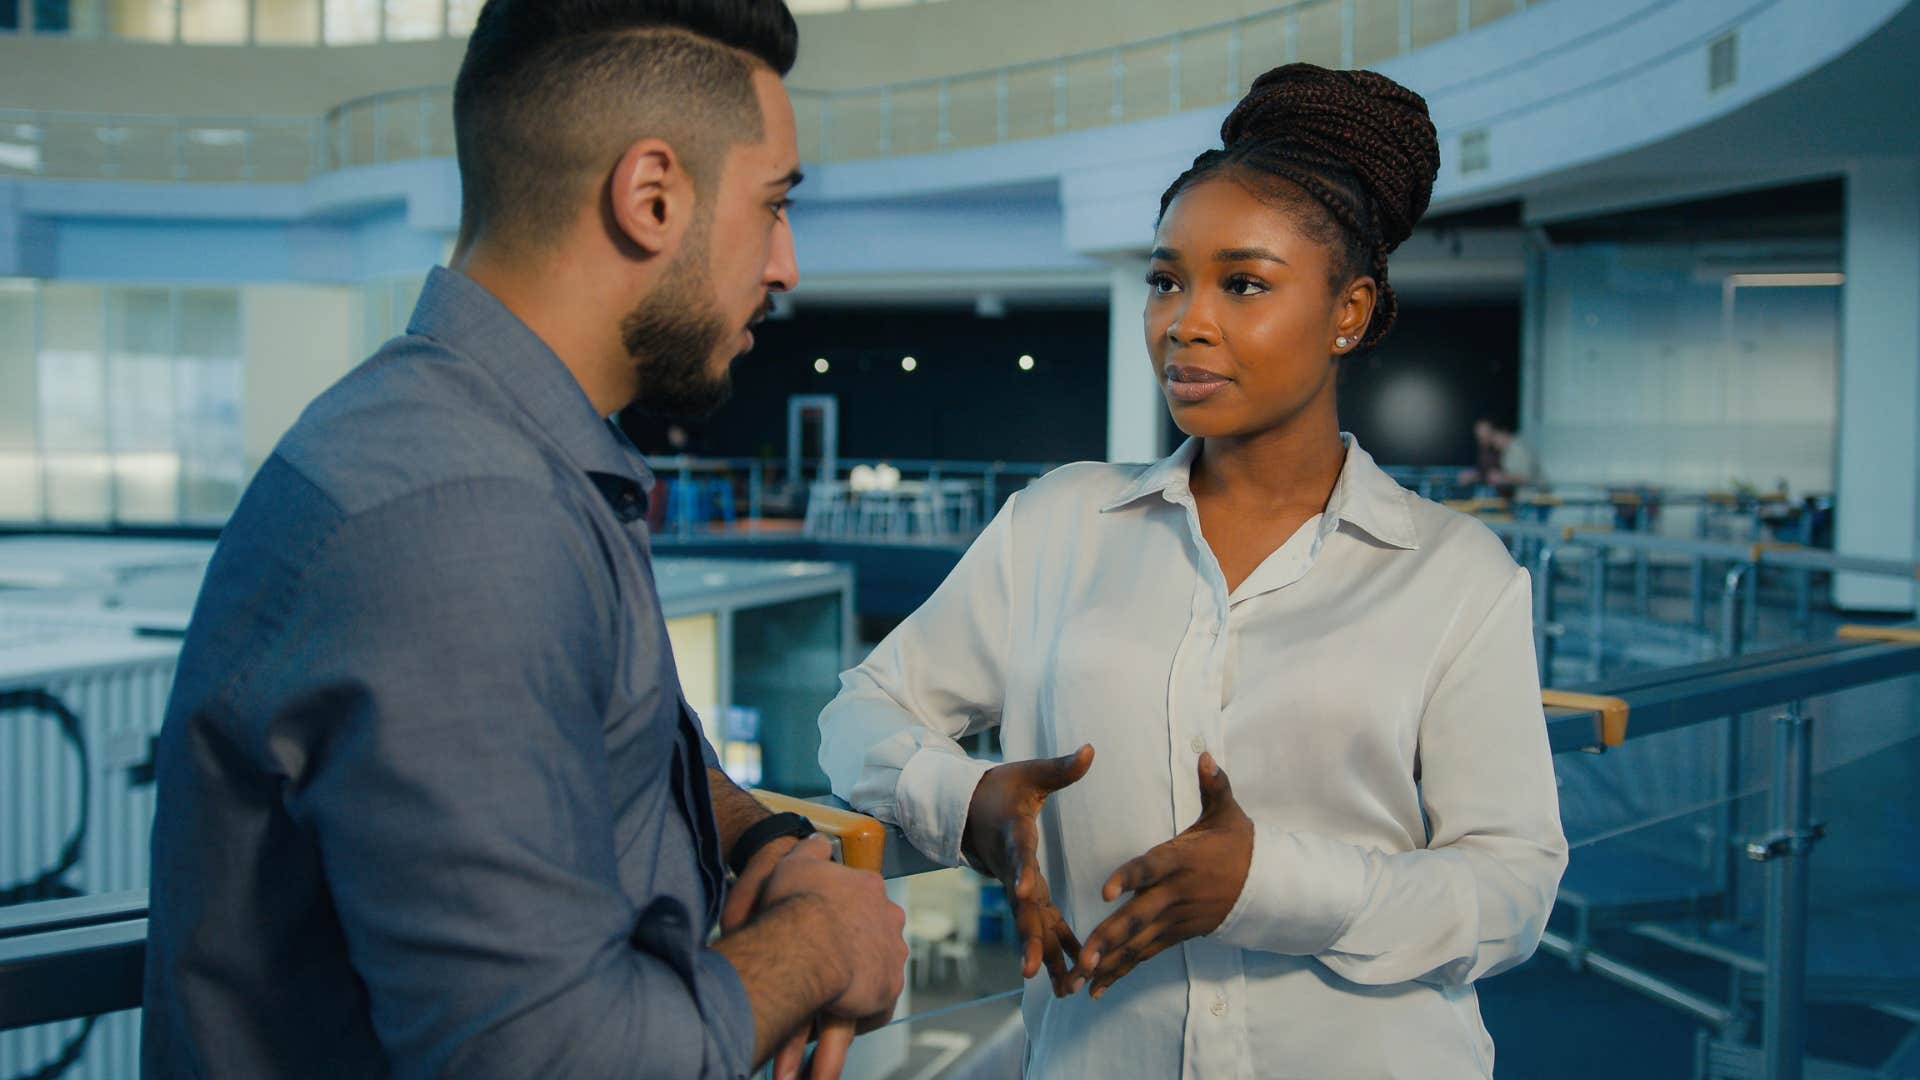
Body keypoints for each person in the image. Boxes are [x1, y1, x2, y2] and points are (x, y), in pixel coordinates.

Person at [142, 3, 906, 1078]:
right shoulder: (463, 519)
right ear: (652, 197)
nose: (785, 264)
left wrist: (761, 842)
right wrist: (825, 943)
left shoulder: (491, 452)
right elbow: (550, 1062)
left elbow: (628, 738)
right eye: (773, 206)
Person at [819, 63, 1566, 1077]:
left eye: (1243, 284)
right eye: (1167, 279)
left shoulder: (1454, 574)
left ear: (1348, 313)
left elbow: (1513, 889)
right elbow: (863, 710)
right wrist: (964, 799)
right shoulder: (1057, 526)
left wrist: (1271, 883)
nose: (1185, 321)